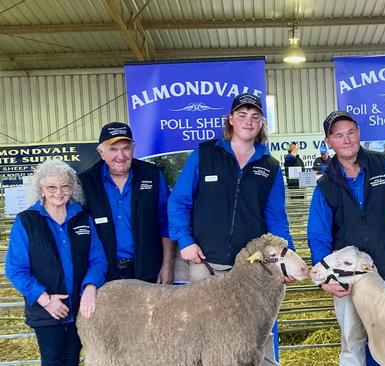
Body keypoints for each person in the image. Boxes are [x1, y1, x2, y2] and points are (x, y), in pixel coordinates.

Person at [167, 93, 294, 365]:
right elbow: (178, 202)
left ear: (261, 123)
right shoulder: (205, 154)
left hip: (251, 268)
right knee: (205, 332)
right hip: (205, 260)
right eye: (242, 115)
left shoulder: (269, 166)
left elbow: (276, 218)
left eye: (255, 116)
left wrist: (286, 257)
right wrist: (185, 240)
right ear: (231, 120)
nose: (249, 121)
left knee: (257, 330)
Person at [308, 111, 385, 366]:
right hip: (348, 280)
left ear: (359, 133)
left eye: (351, 132)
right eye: (339, 135)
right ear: (329, 142)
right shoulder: (325, 184)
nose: (347, 139)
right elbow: (318, 236)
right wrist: (327, 277)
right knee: (352, 342)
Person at [6, 160, 107, 366]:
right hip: (46, 309)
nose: (58, 192)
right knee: (52, 361)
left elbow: (98, 259)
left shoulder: (82, 218)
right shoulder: (26, 221)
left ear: (72, 187)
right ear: (41, 189)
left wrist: (90, 287)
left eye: (65, 186)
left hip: (79, 308)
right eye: (51, 187)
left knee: (72, 360)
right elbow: (16, 269)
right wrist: (45, 299)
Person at [79, 122, 174, 284]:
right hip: (104, 274)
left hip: (148, 272)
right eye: (113, 149)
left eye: (126, 148)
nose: (120, 156)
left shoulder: (152, 175)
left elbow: (167, 223)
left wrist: (168, 265)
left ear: (133, 148)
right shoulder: (85, 183)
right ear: (101, 152)